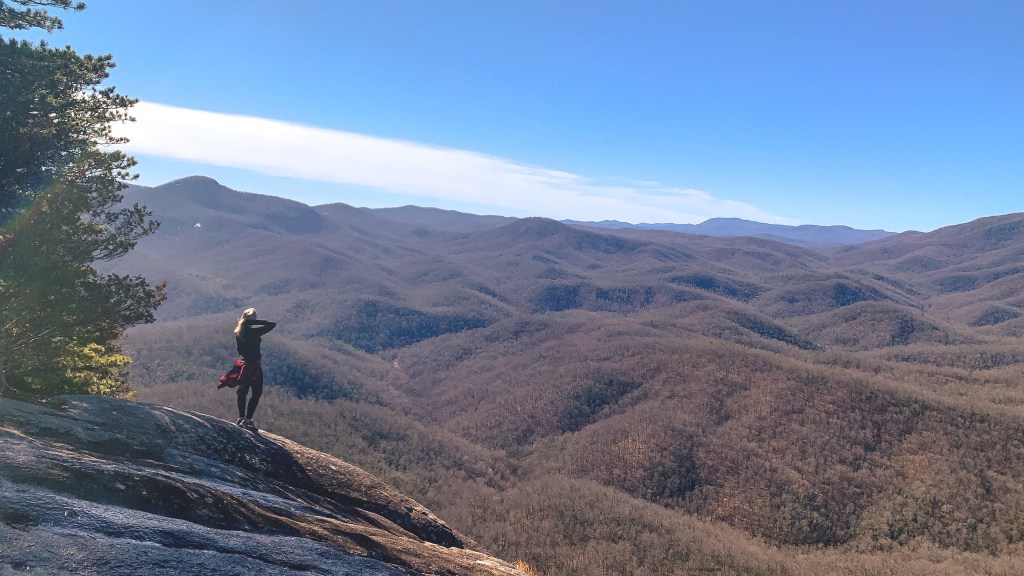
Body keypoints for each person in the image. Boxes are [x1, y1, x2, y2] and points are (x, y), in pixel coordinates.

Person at [217, 308, 276, 430]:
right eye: (254, 318)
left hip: (242, 363)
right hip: (253, 365)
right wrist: (255, 322)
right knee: (256, 393)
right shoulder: (253, 332)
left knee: (242, 392)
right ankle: (248, 420)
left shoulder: (239, 332)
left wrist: (246, 322)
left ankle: (241, 418)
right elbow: (271, 325)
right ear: (252, 319)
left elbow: (240, 350)